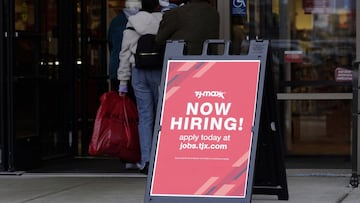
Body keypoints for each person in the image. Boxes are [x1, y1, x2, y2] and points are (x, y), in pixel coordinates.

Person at [117, 0, 163, 174]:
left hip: (139, 71)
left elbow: (124, 52)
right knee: (162, 116)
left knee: (145, 117)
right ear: (157, 6)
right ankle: (162, 158)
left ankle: (146, 161)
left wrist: (122, 81)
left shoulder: (133, 22)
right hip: (160, 70)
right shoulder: (164, 20)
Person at [155, 0, 220, 55]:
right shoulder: (214, 13)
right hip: (209, 62)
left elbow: (159, 39)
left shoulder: (175, 13)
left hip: (181, 62)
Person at [108, 0, 141, 92]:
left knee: (120, 104)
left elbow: (111, 44)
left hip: (117, 69)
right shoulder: (141, 21)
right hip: (134, 69)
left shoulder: (116, 21)